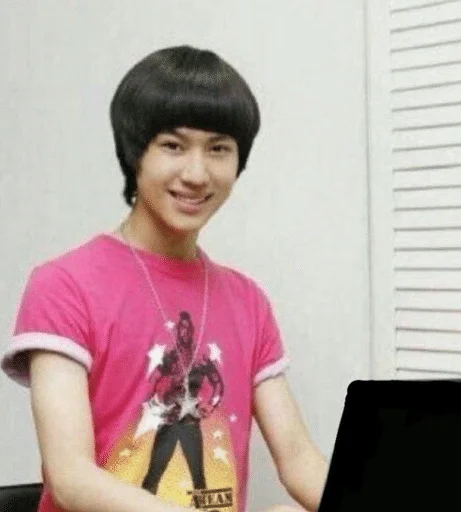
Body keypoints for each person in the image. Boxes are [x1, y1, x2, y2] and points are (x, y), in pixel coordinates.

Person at [1, 45, 328, 512]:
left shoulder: (248, 300)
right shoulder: (64, 285)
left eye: (218, 149)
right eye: (173, 146)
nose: (196, 174)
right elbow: (70, 478)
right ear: (135, 152)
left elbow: (299, 462)